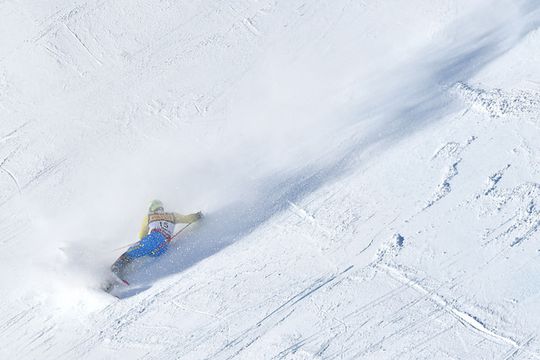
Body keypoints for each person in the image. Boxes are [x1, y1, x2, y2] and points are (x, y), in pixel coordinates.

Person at [111, 200, 202, 279]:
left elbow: (142, 235)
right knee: (144, 254)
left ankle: (116, 267)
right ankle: (122, 271)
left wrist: (144, 240)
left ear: (151, 208)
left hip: (154, 238)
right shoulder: (173, 215)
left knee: (133, 250)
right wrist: (197, 216)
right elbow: (187, 219)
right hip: (163, 246)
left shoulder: (149, 217)